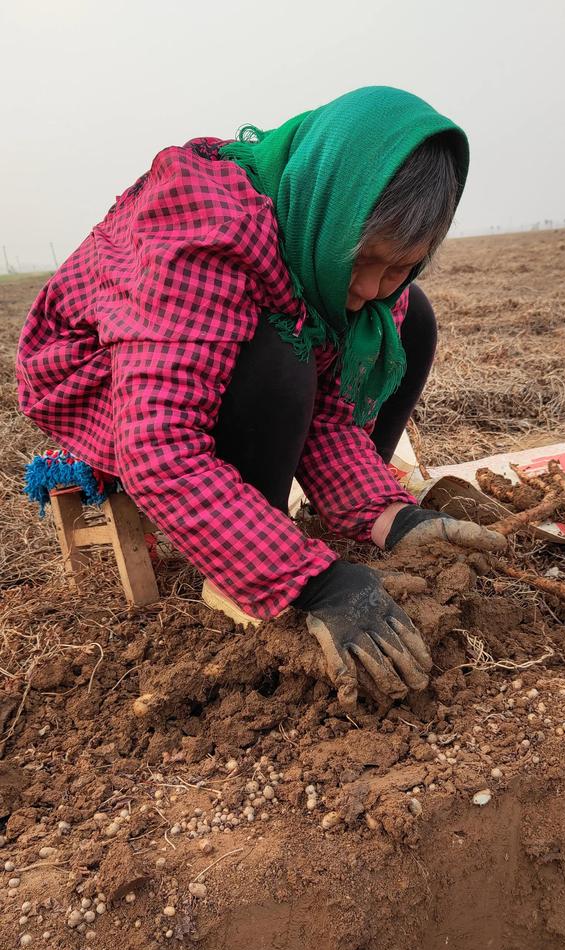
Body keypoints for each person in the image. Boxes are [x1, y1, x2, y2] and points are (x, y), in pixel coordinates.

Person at [16, 85, 506, 709]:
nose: (371, 285)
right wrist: (312, 581)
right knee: (282, 347)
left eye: (400, 264)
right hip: (110, 375)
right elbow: (159, 446)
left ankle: (333, 515)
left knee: (406, 321)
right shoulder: (206, 232)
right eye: (365, 260)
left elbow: (327, 408)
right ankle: (247, 558)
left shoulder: (349, 265)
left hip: (240, 354)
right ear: (330, 203)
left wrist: (393, 517)